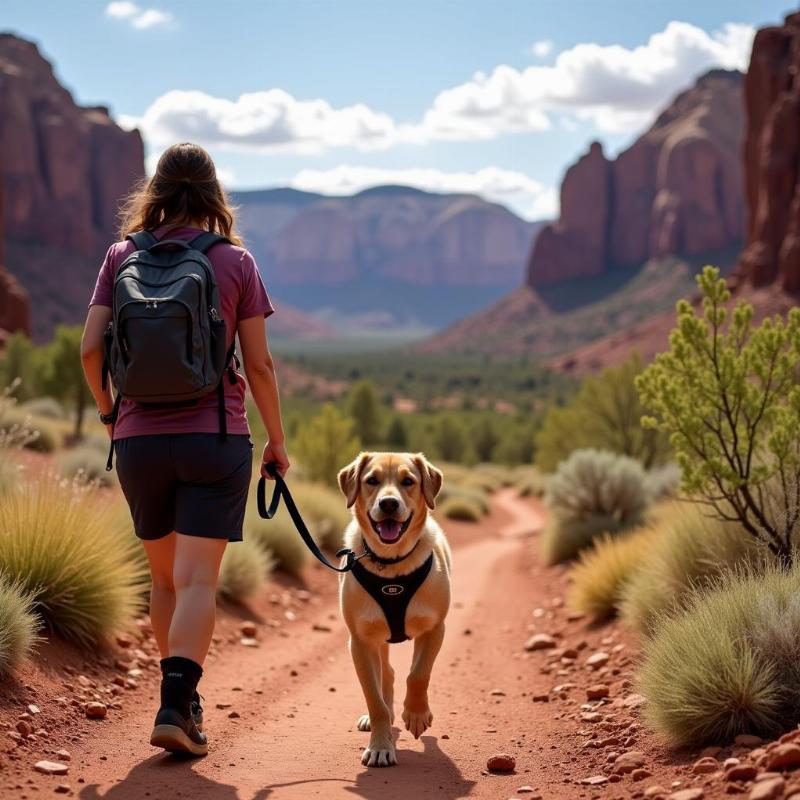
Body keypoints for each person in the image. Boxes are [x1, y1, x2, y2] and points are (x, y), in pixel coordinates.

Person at [80, 142, 290, 756]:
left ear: (156, 190)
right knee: (200, 580)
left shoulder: (120, 255)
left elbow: (91, 349)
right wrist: (277, 441)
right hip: (214, 438)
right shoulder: (234, 262)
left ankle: (177, 701)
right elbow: (262, 366)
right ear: (214, 193)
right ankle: (179, 702)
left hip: (139, 441)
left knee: (165, 580)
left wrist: (109, 413)